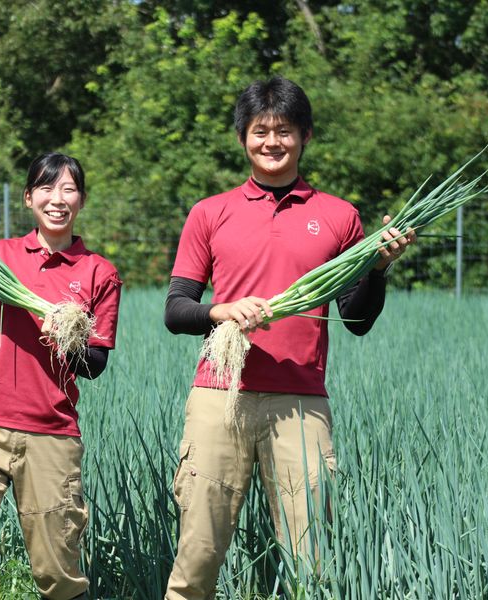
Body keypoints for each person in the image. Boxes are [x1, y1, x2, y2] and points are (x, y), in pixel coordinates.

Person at [163, 76, 415, 599]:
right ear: (242, 139)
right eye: (260, 131)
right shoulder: (210, 212)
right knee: (198, 553)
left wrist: (378, 268)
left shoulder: (339, 216)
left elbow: (357, 318)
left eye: (283, 131)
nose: (271, 142)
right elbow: (176, 309)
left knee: (312, 557)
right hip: (220, 394)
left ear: (304, 136)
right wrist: (222, 311)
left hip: (302, 401)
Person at [0, 153, 122, 600]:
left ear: (82, 200)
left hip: (51, 432)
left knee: (58, 573)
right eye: (47, 189)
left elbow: (95, 365)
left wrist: (65, 336)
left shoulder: (99, 273)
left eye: (68, 189)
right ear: (29, 198)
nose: (58, 199)